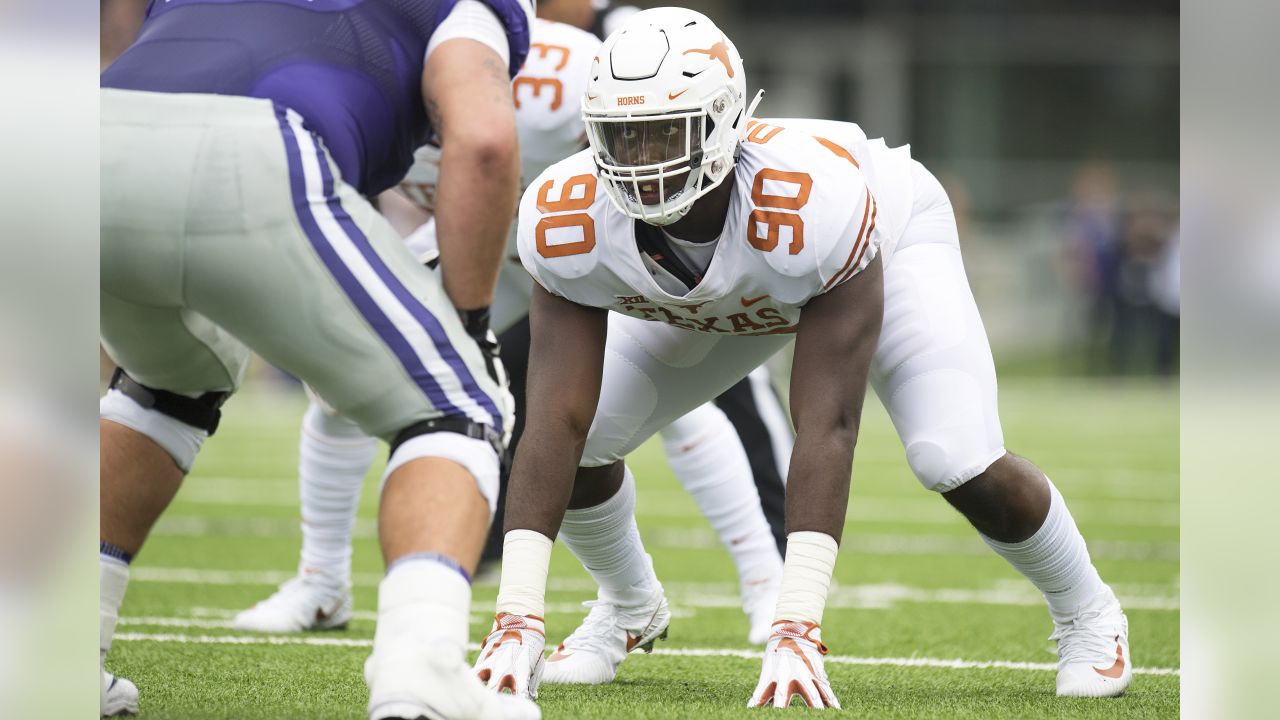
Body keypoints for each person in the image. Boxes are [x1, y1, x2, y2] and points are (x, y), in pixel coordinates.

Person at [474, 6, 1133, 707]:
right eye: (624, 138)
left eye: (666, 133)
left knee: (953, 456)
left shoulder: (818, 206)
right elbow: (554, 416)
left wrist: (795, 628)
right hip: (749, 276)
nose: (645, 161)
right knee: (582, 439)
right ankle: (630, 606)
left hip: (877, 243)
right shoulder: (564, 213)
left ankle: (1090, 613)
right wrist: (516, 616)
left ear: (725, 120)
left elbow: (829, 425)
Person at [232, 0, 793, 646]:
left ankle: (764, 580)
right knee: (342, 377)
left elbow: (653, 123)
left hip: (579, 232)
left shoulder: (557, 68)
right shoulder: (359, 81)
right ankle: (322, 582)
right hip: (481, 246)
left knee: (670, 400)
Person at [98, 1, 539, 718]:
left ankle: (57, 654)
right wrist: (469, 324)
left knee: (164, 386)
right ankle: (421, 664)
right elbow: (485, 140)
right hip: (255, 146)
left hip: (90, 139)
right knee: (458, 403)